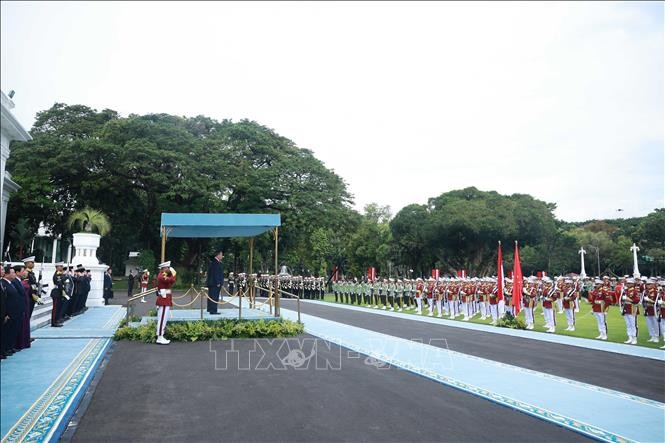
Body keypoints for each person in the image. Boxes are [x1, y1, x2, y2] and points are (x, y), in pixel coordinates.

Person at [155, 261, 177, 345]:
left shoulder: (163, 274)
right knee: (162, 319)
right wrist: (174, 273)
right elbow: (172, 280)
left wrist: (172, 275)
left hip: (165, 298)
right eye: (168, 267)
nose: (169, 269)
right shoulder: (162, 275)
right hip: (164, 299)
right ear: (164, 268)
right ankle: (160, 337)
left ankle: (161, 336)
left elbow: (171, 281)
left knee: (163, 318)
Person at [206, 250, 224, 315]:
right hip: (215, 283)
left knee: (211, 296)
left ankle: (210, 309)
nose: (222, 256)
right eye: (221, 254)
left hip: (212, 283)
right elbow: (215, 273)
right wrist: (218, 282)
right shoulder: (215, 262)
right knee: (214, 297)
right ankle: (213, 310)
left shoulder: (214, 262)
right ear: (218, 255)